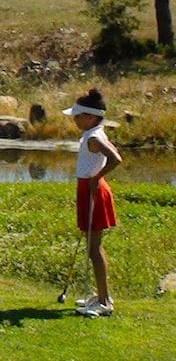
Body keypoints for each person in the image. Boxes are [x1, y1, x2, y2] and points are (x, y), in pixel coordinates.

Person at [66, 88, 122, 318]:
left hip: (93, 191)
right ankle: (101, 296)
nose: (74, 120)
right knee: (92, 246)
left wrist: (97, 178)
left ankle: (104, 302)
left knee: (94, 248)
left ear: (90, 117)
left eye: (77, 116)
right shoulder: (93, 133)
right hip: (88, 188)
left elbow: (115, 159)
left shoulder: (94, 137)